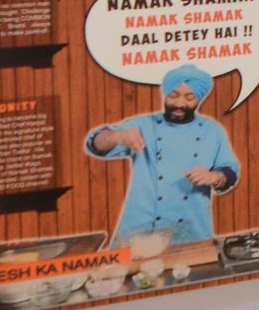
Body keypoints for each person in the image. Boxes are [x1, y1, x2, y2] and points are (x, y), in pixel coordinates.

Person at [83, 63, 241, 247]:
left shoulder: (212, 130)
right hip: (140, 229)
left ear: (199, 98)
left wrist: (215, 176)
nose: (180, 104)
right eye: (173, 95)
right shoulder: (144, 125)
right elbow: (94, 144)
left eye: (190, 98)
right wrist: (116, 136)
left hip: (191, 230)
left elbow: (230, 171)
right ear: (165, 93)